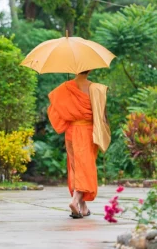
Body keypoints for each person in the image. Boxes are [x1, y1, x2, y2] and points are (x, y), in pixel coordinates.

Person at [47, 70, 110, 219]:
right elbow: (101, 114)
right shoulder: (96, 88)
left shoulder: (66, 87)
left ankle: (83, 207)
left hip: (71, 132)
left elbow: (55, 109)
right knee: (85, 167)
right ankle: (75, 201)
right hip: (87, 131)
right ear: (91, 69)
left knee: (76, 166)